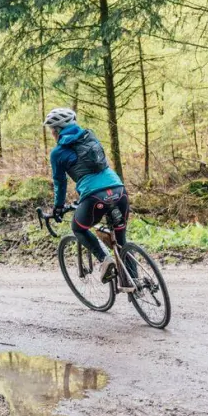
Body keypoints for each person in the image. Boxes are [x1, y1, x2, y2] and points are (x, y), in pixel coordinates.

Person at [45, 108, 138, 288]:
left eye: (52, 131)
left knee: (78, 228)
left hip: (95, 197)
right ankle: (136, 282)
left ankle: (105, 260)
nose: (52, 135)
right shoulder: (90, 137)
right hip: (119, 191)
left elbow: (60, 182)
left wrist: (58, 207)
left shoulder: (57, 153)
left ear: (56, 131)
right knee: (121, 240)